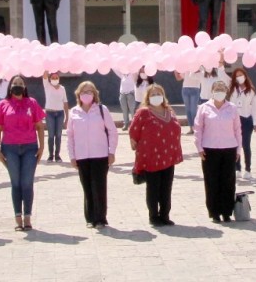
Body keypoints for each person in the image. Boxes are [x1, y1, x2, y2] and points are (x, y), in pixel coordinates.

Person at [0, 76, 46, 231]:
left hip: (29, 147)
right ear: (10, 87)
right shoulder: (3, 105)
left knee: (27, 182)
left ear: (25, 87)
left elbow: (39, 126)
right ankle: (17, 217)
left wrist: (41, 146)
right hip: (10, 148)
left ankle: (27, 217)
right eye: (15, 84)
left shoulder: (32, 103)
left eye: (20, 84)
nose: (17, 86)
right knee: (15, 183)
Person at [130, 84, 183, 226]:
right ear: (147, 97)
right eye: (153, 94)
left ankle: (165, 215)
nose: (156, 96)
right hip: (151, 157)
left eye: (158, 93)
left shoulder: (169, 111)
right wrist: (134, 143)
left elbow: (176, 127)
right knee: (153, 187)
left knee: (166, 187)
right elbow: (134, 130)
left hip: (168, 156)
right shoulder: (143, 112)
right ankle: (153, 216)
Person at [67, 81, 118, 229]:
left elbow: (112, 131)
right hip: (82, 155)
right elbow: (70, 135)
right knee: (87, 187)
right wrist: (72, 156)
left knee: (99, 187)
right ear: (78, 94)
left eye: (90, 91)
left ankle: (100, 218)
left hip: (100, 154)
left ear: (95, 94)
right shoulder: (74, 112)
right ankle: (90, 217)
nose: (87, 94)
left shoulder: (102, 110)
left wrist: (111, 151)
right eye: (84, 91)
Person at [194, 80, 241, 223]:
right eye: (217, 90)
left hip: (229, 148)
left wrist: (239, 150)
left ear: (226, 92)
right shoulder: (203, 108)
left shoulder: (232, 108)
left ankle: (227, 211)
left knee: (228, 181)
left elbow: (237, 130)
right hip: (210, 149)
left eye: (222, 90)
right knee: (211, 181)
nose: (219, 92)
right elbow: (198, 128)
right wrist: (199, 147)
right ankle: (214, 212)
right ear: (212, 92)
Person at [228, 67, 256, 180]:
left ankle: (248, 169)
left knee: (246, 145)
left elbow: (254, 107)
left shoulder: (251, 91)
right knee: (236, 145)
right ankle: (237, 168)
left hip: (247, 120)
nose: (239, 77)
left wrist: (255, 122)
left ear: (245, 76)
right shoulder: (233, 89)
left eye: (241, 75)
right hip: (235, 119)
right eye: (237, 76)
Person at [42, 71, 69, 161]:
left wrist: (67, 117)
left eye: (56, 77)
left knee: (58, 135)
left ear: (59, 78)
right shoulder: (47, 86)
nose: (54, 79)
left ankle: (57, 155)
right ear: (50, 79)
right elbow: (45, 75)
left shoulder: (62, 88)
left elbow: (65, 102)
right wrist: (48, 67)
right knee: (50, 135)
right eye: (52, 78)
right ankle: (50, 155)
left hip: (60, 113)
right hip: (49, 113)